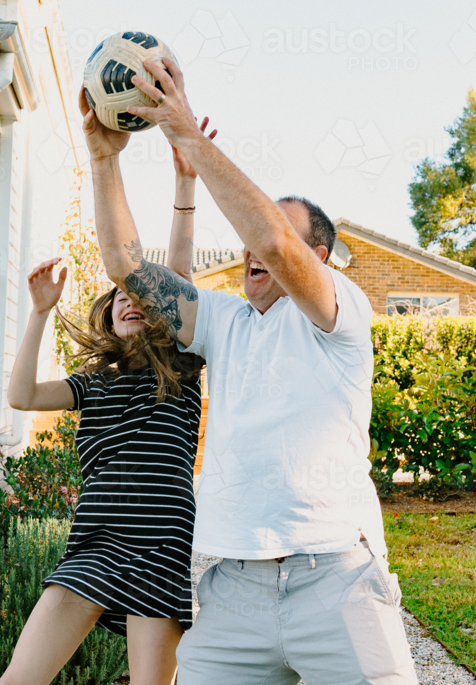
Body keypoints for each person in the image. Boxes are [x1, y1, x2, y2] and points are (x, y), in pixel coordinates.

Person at [81, 61, 418, 684]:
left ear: (317, 259)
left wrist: (186, 133)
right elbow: (125, 264)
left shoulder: (338, 313)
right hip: (232, 592)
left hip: (337, 579)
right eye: (245, 246)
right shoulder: (222, 320)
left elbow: (273, 241)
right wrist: (105, 159)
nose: (249, 251)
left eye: (277, 240)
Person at [0, 119, 216, 685]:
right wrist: (41, 311)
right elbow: (20, 396)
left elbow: (179, 271)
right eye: (120, 294)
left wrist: (185, 186)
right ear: (108, 312)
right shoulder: (90, 382)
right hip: (94, 541)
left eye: (140, 294)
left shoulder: (182, 366)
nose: (131, 300)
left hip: (162, 541)